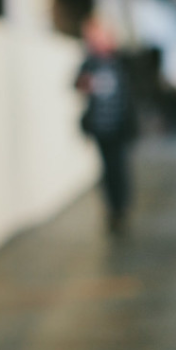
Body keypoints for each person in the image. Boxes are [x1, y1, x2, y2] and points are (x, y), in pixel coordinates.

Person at [75, 17, 137, 233]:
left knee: (119, 168)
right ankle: (112, 209)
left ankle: (121, 207)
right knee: (107, 170)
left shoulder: (121, 60)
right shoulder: (89, 62)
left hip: (120, 125)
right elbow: (76, 84)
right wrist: (86, 84)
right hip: (100, 126)